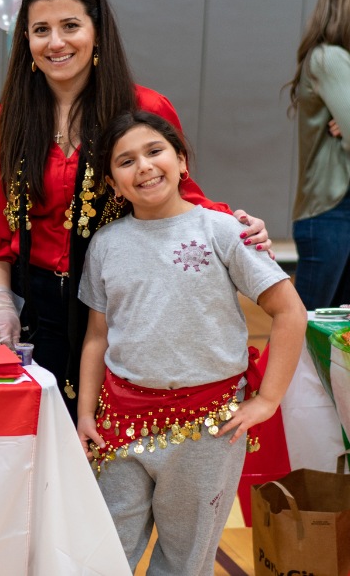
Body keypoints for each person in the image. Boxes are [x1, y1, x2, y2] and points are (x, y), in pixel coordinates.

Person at [0, 0, 271, 418]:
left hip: (126, 305)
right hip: (37, 313)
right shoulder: (3, 122)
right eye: (40, 30)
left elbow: (186, 200)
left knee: (115, 450)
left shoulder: (144, 109)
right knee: (42, 446)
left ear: (97, 32)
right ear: (25, 40)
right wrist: (1, 304)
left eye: (70, 26)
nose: (56, 43)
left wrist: (237, 224)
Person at [75, 111, 306, 574]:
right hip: (121, 422)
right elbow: (97, 337)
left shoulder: (222, 231)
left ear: (182, 162)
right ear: (113, 183)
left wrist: (268, 400)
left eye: (155, 151)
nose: (143, 166)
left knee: (186, 558)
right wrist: (85, 412)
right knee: (102, 551)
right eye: (126, 161)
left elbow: (290, 313)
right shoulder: (104, 244)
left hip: (208, 430)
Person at [287, 0, 350, 310]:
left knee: (338, 334)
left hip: (338, 213)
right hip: (331, 212)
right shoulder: (331, 58)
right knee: (306, 328)